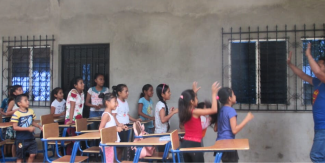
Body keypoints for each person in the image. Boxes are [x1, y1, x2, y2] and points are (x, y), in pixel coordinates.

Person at [287, 43, 325, 162]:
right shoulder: (318, 82)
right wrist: (290, 64)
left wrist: (308, 55)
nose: (317, 68)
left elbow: (318, 73)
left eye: (320, 65)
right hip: (320, 127)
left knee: (316, 156)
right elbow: (303, 75)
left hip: (324, 127)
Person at [179, 82, 220, 162]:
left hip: (185, 144)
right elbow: (214, 110)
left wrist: (194, 92)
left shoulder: (184, 111)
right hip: (194, 144)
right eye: (196, 98)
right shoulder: (195, 112)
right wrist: (214, 94)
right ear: (191, 101)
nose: (197, 100)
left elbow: (191, 103)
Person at [214, 87, 254, 163]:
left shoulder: (220, 110)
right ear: (229, 98)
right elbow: (234, 130)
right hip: (229, 145)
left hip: (219, 144)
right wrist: (247, 119)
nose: (235, 96)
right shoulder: (231, 110)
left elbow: (216, 129)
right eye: (234, 94)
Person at [11, 94, 42, 163]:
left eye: (28, 100)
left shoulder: (31, 111)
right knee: (20, 157)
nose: (28, 102)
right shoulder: (16, 114)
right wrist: (28, 129)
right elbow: (15, 127)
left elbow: (32, 122)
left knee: (33, 154)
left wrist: (39, 126)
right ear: (19, 103)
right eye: (25, 100)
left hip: (31, 138)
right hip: (21, 140)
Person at [98, 93, 127, 163]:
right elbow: (100, 130)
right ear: (107, 102)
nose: (117, 104)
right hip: (107, 144)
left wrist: (120, 127)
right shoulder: (106, 115)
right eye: (115, 101)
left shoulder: (110, 115)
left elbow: (110, 126)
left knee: (113, 160)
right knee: (109, 161)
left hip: (111, 142)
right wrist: (115, 129)